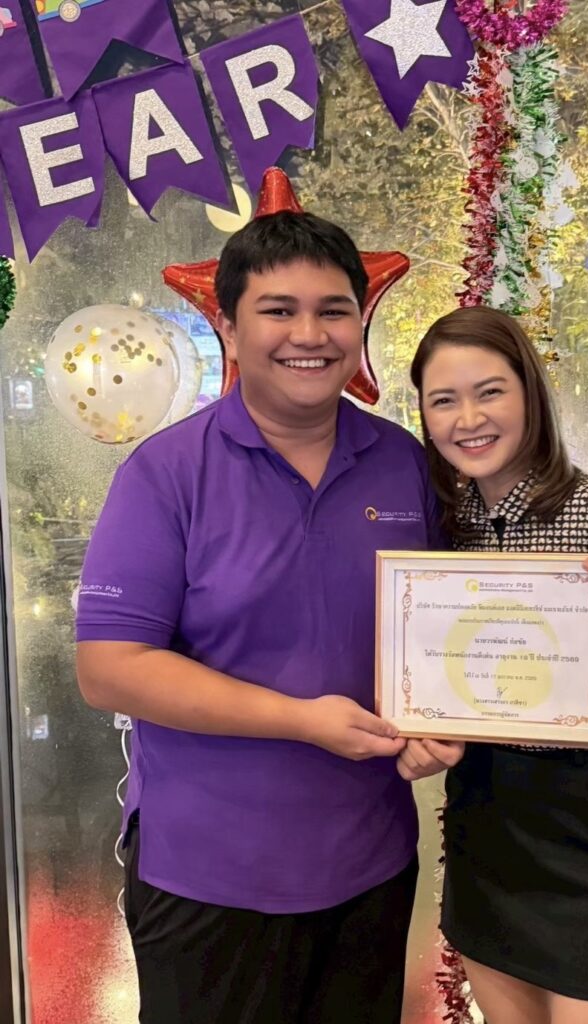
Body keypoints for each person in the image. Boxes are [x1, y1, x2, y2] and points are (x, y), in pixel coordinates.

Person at [74, 211, 460, 1024]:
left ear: (360, 322)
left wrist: (437, 721)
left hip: (369, 867)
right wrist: (300, 720)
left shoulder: (403, 462)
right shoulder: (165, 474)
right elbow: (109, 668)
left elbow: (435, 634)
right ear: (229, 326)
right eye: (278, 310)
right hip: (207, 877)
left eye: (333, 310)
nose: (308, 335)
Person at [403, 305, 588, 1024]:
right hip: (486, 810)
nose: (468, 419)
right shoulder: (442, 523)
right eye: (443, 400)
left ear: (530, 394)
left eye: (490, 392)